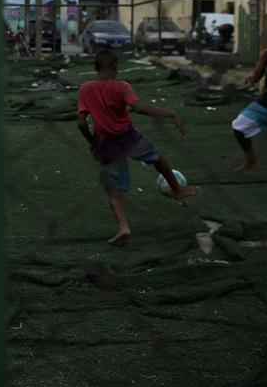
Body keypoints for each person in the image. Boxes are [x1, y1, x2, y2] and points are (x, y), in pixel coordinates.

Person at [77, 50, 199, 246]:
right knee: (157, 158)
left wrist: (91, 141)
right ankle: (176, 189)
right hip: (129, 138)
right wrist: (171, 113)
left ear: (96, 68)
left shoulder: (85, 89)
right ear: (115, 67)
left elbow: (81, 123)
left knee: (113, 191)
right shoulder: (122, 87)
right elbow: (139, 108)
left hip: (106, 144)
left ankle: (124, 226)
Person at [231, 48, 267, 171]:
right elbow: (256, 76)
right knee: (239, 126)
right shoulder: (266, 54)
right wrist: (251, 78)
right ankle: (251, 159)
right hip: (265, 102)